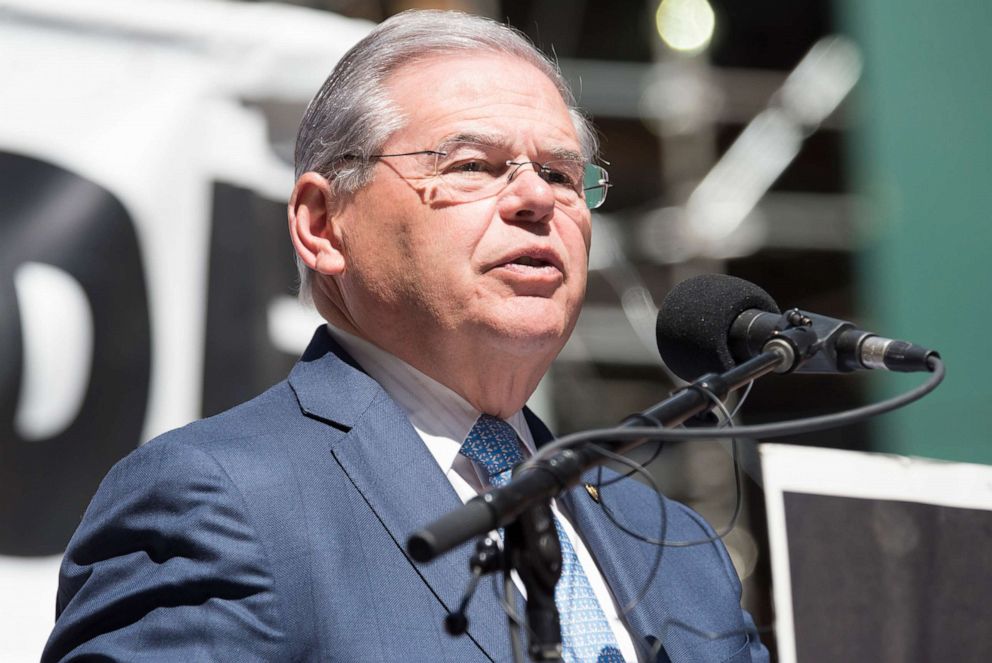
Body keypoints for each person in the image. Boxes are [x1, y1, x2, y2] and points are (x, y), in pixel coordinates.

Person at [44, 10, 768, 663]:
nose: (535, 199)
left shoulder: (677, 545)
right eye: (473, 166)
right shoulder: (215, 501)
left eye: (560, 173)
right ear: (323, 224)